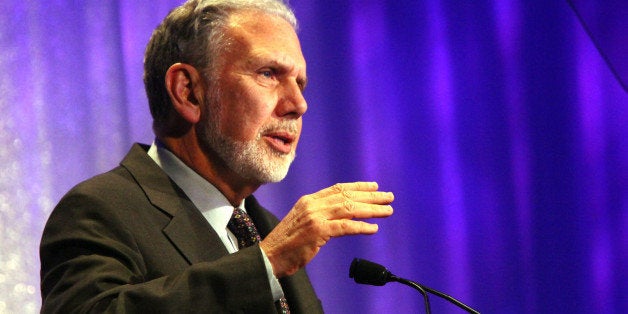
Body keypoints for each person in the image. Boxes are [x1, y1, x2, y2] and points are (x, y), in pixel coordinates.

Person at [39, 0, 394, 312]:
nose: (298, 105)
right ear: (189, 92)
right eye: (268, 74)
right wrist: (265, 263)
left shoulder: (265, 227)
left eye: (299, 83)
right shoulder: (101, 209)